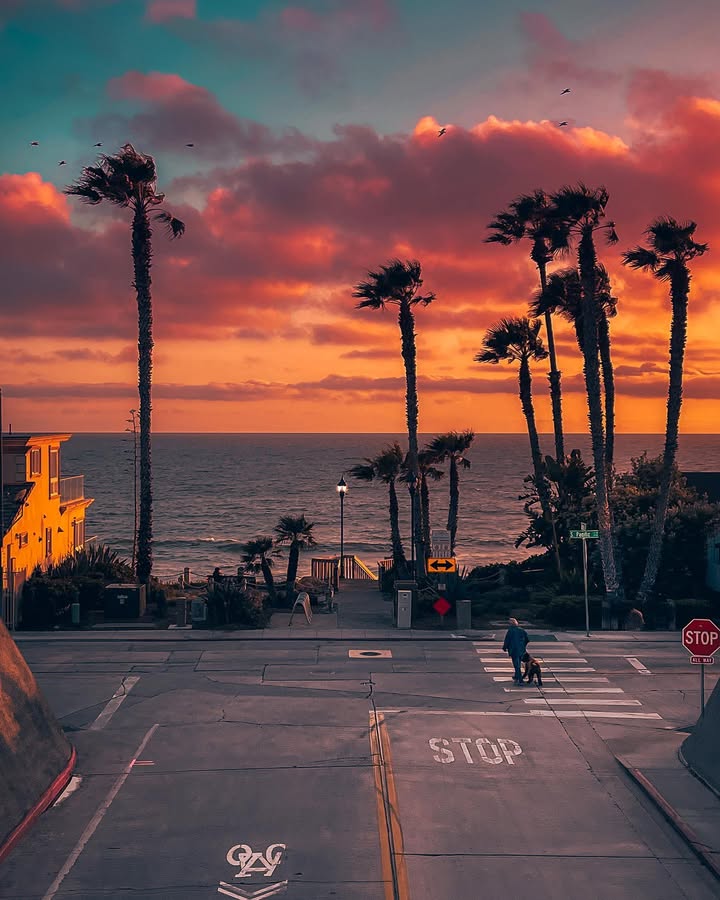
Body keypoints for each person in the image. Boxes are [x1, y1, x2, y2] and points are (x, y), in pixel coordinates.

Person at [502, 617, 529, 683]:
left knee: (516, 665)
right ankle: (517, 676)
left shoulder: (510, 631)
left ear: (510, 624)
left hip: (513, 649)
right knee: (518, 663)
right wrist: (523, 646)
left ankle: (520, 680)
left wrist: (504, 647)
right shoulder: (521, 630)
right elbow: (527, 639)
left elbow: (507, 640)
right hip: (521, 650)